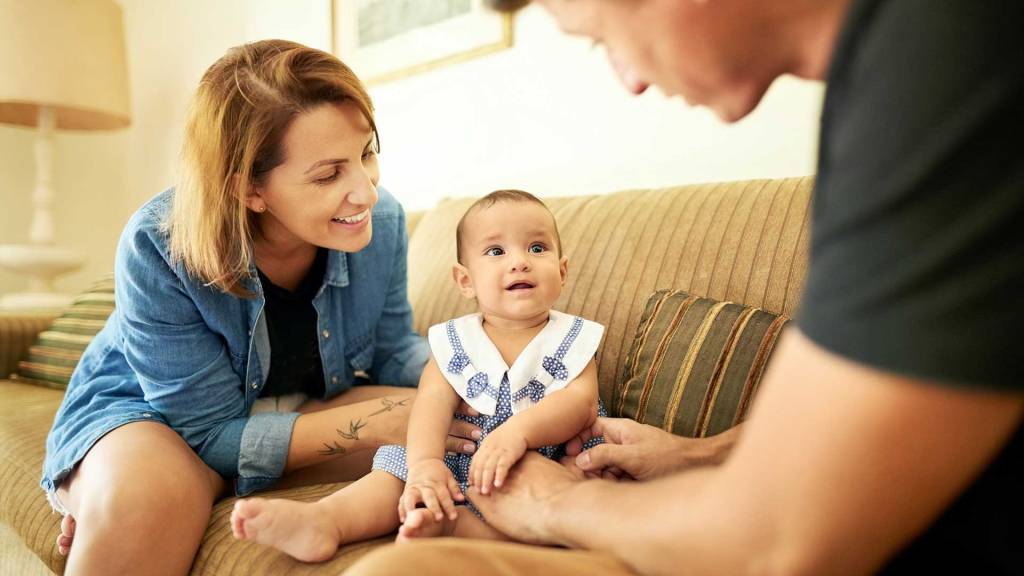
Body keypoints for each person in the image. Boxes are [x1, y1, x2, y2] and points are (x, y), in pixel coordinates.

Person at [346, 0, 1024, 574]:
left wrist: (555, 504)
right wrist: (696, 452)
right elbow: (894, 380)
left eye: (602, 37)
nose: (630, 79)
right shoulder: (898, 65)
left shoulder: (944, 59)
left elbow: (782, 535)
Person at [40, 39, 482, 575]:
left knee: (467, 427)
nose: (365, 192)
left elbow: (391, 349)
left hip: (297, 407)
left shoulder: (379, 222)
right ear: (249, 188)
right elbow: (206, 432)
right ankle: (119, 485)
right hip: (160, 420)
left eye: (367, 152)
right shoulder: (159, 244)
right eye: (328, 174)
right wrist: (380, 419)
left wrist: (471, 370)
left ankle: (147, 489)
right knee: (148, 498)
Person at [228, 189, 607, 560]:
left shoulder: (571, 339)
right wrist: (426, 465)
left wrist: (518, 434)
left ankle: (455, 527)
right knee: (395, 469)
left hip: (542, 462)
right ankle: (325, 520)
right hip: (459, 456)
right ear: (465, 281)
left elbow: (580, 404)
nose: (519, 262)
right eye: (496, 251)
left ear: (562, 271)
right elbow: (431, 401)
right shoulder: (454, 342)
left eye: (537, 248)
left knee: (575, 494)